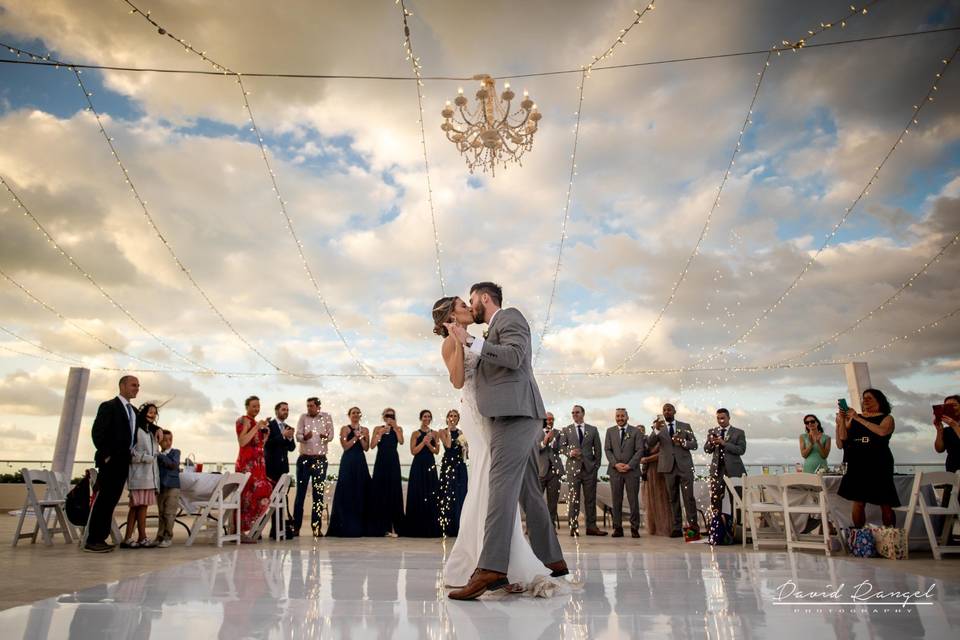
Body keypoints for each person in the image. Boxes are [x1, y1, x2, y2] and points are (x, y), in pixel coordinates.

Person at [441, 284, 566, 600]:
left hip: (516, 414)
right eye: (463, 303)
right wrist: (460, 342)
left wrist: (468, 339)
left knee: (499, 485)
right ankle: (553, 558)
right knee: (528, 488)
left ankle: (492, 567)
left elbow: (513, 356)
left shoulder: (509, 317)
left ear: (484, 298)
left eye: (471, 300)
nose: (470, 306)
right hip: (501, 415)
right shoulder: (486, 330)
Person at [86, 375, 142, 553]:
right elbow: (97, 433)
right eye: (134, 385)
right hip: (111, 462)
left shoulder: (133, 410)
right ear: (123, 386)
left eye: (138, 386)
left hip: (124, 463)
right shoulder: (109, 406)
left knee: (111, 501)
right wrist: (107, 455)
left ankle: (100, 538)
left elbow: (144, 424)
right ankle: (93, 540)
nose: (137, 388)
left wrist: (157, 431)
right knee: (104, 501)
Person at [837, 388, 899, 528]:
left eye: (869, 398)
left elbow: (882, 432)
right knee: (858, 501)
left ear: (879, 400)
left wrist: (858, 418)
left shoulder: (887, 418)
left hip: (879, 461)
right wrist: (841, 419)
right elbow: (843, 437)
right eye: (864, 398)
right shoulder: (854, 417)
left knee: (885, 502)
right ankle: (861, 538)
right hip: (857, 461)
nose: (865, 401)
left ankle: (889, 538)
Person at [645, 403, 699, 537]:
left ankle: (693, 529)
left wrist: (683, 442)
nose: (666, 412)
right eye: (664, 410)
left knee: (689, 498)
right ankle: (676, 528)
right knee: (672, 498)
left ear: (674, 411)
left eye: (669, 409)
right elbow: (649, 444)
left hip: (684, 467)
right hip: (668, 468)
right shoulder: (659, 428)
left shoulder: (685, 426)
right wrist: (656, 430)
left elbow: (694, 444)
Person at [559, 405, 607, 536]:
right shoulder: (566, 430)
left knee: (590, 499)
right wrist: (569, 452)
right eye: (573, 412)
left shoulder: (593, 430)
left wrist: (596, 467)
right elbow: (561, 448)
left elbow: (598, 450)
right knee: (574, 499)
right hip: (573, 470)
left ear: (583, 413)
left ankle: (591, 527)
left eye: (577, 412)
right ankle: (573, 527)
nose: (574, 414)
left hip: (589, 470)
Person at [120, 403, 161, 549]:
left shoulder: (152, 433)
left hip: (149, 477)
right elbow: (130, 452)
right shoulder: (136, 431)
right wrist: (145, 458)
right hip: (138, 476)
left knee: (143, 507)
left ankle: (140, 537)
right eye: (150, 412)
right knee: (136, 507)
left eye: (154, 413)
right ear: (143, 412)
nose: (152, 414)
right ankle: (130, 537)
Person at [327, 407, 372, 537]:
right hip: (348, 461)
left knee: (361, 490)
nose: (356, 415)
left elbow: (366, 448)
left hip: (360, 461)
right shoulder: (345, 429)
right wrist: (355, 438)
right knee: (346, 490)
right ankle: (344, 525)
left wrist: (362, 438)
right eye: (353, 413)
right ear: (349, 415)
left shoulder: (365, 430)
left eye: (358, 413)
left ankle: (361, 525)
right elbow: (345, 446)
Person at [235, 396, 274, 542]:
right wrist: (256, 427)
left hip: (258, 465)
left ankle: (245, 529)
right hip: (246, 465)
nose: (256, 409)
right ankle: (238, 531)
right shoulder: (242, 420)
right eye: (253, 406)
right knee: (245, 496)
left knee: (261, 492)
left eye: (258, 406)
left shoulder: (256, 422)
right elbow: (243, 441)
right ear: (247, 406)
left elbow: (258, 446)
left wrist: (265, 434)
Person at [294, 397, 334, 537]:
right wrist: (304, 437)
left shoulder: (327, 417)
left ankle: (316, 528)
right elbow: (297, 435)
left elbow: (331, 436)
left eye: (311, 406)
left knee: (318, 496)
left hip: (320, 460)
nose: (308, 408)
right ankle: (296, 528)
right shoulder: (303, 417)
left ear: (318, 407)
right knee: (300, 495)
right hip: (304, 459)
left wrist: (325, 438)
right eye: (307, 406)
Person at [604, 408, 644, 538]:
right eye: (617, 416)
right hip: (615, 471)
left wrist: (629, 465)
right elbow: (607, 450)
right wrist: (615, 464)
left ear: (627, 417)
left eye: (622, 416)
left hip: (631, 471)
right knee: (616, 501)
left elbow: (639, 450)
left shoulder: (636, 431)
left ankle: (634, 528)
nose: (620, 418)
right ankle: (618, 528)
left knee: (633, 501)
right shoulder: (610, 431)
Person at [703, 408, 746, 531]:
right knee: (715, 499)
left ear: (728, 418)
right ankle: (717, 528)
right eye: (718, 418)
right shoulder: (712, 431)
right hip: (717, 470)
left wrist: (724, 443)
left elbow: (741, 450)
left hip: (734, 470)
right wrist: (711, 443)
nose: (720, 421)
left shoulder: (738, 432)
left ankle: (738, 529)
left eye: (722, 418)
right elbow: (706, 449)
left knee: (737, 500)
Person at [404, 409, 442, 538]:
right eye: (425, 416)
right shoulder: (415, 433)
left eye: (429, 417)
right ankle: (416, 528)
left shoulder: (435, 434)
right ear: (421, 418)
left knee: (431, 493)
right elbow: (413, 451)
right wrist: (423, 442)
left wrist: (429, 445)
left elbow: (436, 451)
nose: (427, 418)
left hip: (430, 464)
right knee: (418, 492)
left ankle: (431, 527)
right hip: (418, 464)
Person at [368, 408, 405, 537]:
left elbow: (401, 441)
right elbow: (371, 445)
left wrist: (395, 428)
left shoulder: (398, 428)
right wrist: (380, 434)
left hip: (393, 462)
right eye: (387, 415)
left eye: (392, 415)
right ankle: (381, 527)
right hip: (381, 461)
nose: (390, 417)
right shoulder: (377, 428)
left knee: (394, 491)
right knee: (380, 491)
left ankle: (395, 527)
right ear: (383, 417)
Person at [264, 401, 296, 539]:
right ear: (276, 411)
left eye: (287, 410)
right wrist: (282, 435)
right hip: (270, 468)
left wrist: (289, 437)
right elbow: (267, 444)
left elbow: (292, 448)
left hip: (283, 469)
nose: (286, 412)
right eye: (283, 409)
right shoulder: (269, 425)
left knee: (280, 499)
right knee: (267, 500)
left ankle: (277, 529)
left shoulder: (288, 427)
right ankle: (258, 529)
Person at [640, 416, 673, 536]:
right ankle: (653, 526)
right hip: (649, 471)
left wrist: (647, 459)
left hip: (661, 469)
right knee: (651, 499)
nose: (656, 428)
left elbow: (662, 454)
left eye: (658, 426)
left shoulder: (665, 438)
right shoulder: (649, 439)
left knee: (662, 498)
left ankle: (663, 525)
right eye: (654, 426)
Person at [439, 409, 469, 537]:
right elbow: (448, 445)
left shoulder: (462, 433)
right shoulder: (442, 431)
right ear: (447, 418)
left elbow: (465, 456)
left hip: (460, 465)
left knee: (460, 494)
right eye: (450, 415)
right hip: (448, 465)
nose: (453, 417)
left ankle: (459, 526)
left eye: (455, 416)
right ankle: (448, 527)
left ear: (458, 418)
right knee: (447, 493)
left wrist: (465, 448)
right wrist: (450, 429)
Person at [155, 429, 180, 548]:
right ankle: (159, 536)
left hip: (173, 487)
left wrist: (160, 456)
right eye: (165, 440)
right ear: (159, 442)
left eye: (170, 439)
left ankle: (168, 536)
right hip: (160, 487)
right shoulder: (157, 455)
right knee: (161, 513)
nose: (168, 442)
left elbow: (173, 465)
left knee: (169, 513)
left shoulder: (175, 452)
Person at [537, 412, 562, 528]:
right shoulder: (536, 432)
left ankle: (551, 526)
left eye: (552, 419)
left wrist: (553, 442)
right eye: (547, 419)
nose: (550, 421)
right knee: (536, 500)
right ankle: (532, 526)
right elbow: (534, 448)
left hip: (555, 472)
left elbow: (561, 449)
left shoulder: (558, 433)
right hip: (540, 472)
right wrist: (544, 442)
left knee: (553, 502)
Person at [934, 395, 960, 472]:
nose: (952, 409)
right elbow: (939, 449)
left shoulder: (953, 426)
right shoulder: (947, 430)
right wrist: (939, 431)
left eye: (954, 405)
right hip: (951, 470)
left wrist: (955, 425)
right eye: (947, 407)